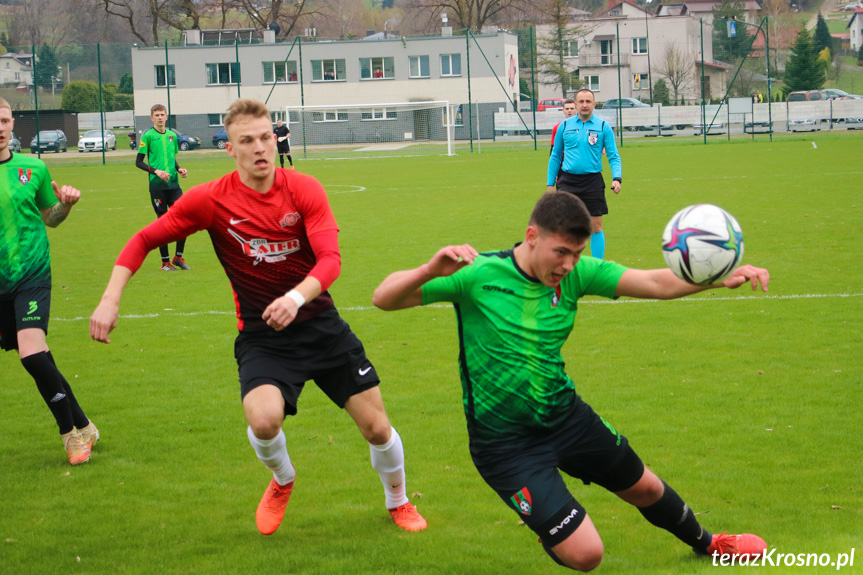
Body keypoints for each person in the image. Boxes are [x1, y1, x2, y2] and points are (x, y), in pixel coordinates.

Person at [372, 192, 769, 571]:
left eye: (577, 254)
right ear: (532, 236)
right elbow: (383, 298)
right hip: (505, 445)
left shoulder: (577, 274)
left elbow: (654, 284)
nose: (567, 264)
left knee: (645, 488)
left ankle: (711, 544)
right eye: (561, 252)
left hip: (566, 418)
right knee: (587, 555)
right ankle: (549, 520)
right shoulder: (477, 274)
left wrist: (718, 277)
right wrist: (428, 270)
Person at [91, 98, 427, 536]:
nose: (260, 148)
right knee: (263, 419)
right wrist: (110, 298)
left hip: (321, 328)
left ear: (276, 138)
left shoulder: (304, 188)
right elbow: (142, 240)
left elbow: (330, 262)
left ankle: (398, 501)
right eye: (246, 141)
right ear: (230, 149)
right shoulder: (210, 201)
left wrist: (296, 297)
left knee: (378, 429)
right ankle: (283, 479)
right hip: (263, 335)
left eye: (266, 137)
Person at [0, 97, 99, 466]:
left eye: (5, 120)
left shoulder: (33, 168)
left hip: (32, 274)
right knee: (40, 357)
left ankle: (70, 437)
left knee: (30, 352)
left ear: (13, 125)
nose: (0, 128)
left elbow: (50, 218)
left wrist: (66, 205)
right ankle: (85, 425)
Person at [547, 89, 620, 260]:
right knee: (564, 226)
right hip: (568, 181)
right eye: (581, 102)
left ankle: (597, 267)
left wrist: (617, 178)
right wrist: (550, 184)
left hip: (592, 182)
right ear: (576, 104)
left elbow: (613, 156)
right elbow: (555, 156)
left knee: (595, 226)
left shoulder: (603, 127)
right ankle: (564, 264)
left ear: (594, 104)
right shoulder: (564, 126)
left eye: (588, 101)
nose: (585, 105)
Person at [136, 104, 191, 271]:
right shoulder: (148, 136)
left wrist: (179, 169)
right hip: (157, 187)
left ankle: (178, 257)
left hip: (174, 185)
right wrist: (156, 171)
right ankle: (165, 262)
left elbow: (171, 158)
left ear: (167, 117)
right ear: (151, 118)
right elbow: (138, 162)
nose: (160, 117)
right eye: (156, 115)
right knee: (163, 223)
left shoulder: (172, 136)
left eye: (162, 114)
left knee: (184, 220)